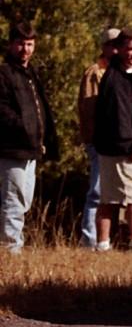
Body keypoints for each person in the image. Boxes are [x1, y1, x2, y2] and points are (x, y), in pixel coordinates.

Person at [0, 21, 59, 254]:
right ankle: (10, 250)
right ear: (11, 44)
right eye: (21, 44)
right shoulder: (4, 74)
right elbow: (3, 111)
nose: (25, 49)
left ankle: (13, 246)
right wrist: (25, 130)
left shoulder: (31, 74)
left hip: (32, 149)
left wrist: (42, 140)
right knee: (12, 201)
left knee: (24, 201)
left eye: (29, 44)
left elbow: (40, 111)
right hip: (12, 149)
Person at [93, 29, 132, 252]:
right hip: (121, 149)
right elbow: (120, 117)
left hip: (116, 147)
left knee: (110, 199)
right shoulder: (116, 79)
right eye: (130, 49)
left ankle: (103, 245)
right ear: (119, 49)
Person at [77, 27, 120, 247]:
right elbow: (90, 109)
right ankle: (89, 240)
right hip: (99, 141)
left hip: (115, 143)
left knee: (111, 193)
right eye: (111, 45)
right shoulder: (96, 72)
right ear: (104, 47)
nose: (115, 49)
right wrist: (95, 141)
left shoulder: (120, 71)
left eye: (118, 44)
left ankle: (106, 239)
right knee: (96, 192)